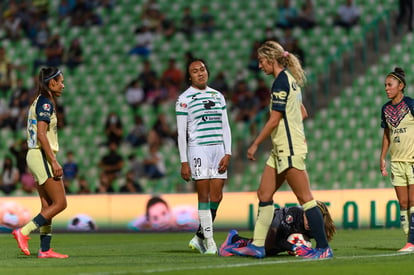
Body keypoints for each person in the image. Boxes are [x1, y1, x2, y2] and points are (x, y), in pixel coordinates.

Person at [231, 41, 332, 259]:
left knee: (306, 198)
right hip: (281, 149)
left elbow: (275, 119)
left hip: (289, 148)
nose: (259, 66)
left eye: (261, 61)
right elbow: (302, 112)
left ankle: (324, 248)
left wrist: (256, 143)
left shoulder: (280, 83)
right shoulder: (292, 81)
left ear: (270, 59)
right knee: (264, 194)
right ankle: (258, 245)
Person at [176, 58, 232, 255]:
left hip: (218, 148)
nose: (200, 73)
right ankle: (209, 242)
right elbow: (181, 133)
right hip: (198, 148)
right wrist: (184, 161)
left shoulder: (218, 96)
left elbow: (225, 126)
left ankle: (199, 237)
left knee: (217, 195)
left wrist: (228, 152)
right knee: (204, 196)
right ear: (189, 76)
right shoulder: (184, 99)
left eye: (203, 69)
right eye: (195, 71)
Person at [12, 67, 68, 258]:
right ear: (51, 83)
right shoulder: (45, 103)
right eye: (60, 81)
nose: (63, 85)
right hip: (41, 154)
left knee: (48, 205)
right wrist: (53, 161)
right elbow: (42, 134)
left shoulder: (37, 101)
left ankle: (45, 249)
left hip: (34, 155)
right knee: (60, 203)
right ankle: (24, 231)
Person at [220, 201, 336, 257]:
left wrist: (305, 247)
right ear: (304, 213)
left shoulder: (316, 226)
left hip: (286, 233)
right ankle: (234, 241)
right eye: (308, 218)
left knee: (273, 249)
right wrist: (294, 247)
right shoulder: (293, 215)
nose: (310, 223)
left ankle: (234, 237)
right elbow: (279, 239)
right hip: (273, 222)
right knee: (268, 250)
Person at [380, 67, 414, 252]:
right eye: (385, 85)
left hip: (412, 161)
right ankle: (410, 237)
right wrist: (382, 157)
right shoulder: (385, 109)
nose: (386, 88)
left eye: (390, 85)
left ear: (400, 86)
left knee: (413, 201)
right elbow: (387, 134)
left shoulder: (410, 104)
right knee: (403, 203)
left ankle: (412, 242)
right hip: (397, 162)